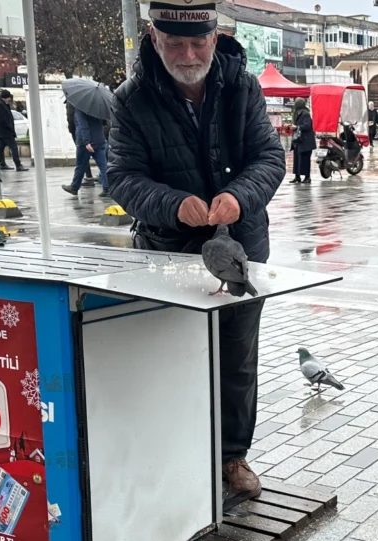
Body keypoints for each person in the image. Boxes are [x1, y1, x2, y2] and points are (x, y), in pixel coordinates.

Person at [108, 0, 286, 499]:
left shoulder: (242, 86)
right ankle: (179, 454)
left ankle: (231, 458)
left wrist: (239, 196)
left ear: (214, 36)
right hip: (169, 253)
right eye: (176, 42)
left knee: (236, 357)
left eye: (198, 42)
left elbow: (269, 157)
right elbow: (121, 177)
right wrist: (173, 204)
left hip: (240, 249)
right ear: (154, 36)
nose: (188, 53)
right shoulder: (132, 99)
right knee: (172, 355)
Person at [62, 105, 110, 196]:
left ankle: (74, 187)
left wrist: (87, 141)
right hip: (99, 139)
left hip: (85, 142)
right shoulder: (99, 107)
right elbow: (104, 122)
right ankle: (107, 189)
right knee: (103, 165)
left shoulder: (80, 107)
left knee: (80, 165)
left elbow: (83, 125)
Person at [0, 89, 27, 171]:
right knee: (13, 147)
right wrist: (9, 128)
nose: (9, 99)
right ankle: (18, 165)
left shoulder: (2, 104)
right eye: (9, 98)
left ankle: (2, 163)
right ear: (6, 97)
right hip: (6, 131)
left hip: (3, 131)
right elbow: (2, 119)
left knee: (0, 148)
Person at [67, 100, 95, 186]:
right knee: (101, 160)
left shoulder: (73, 102)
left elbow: (72, 121)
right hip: (92, 135)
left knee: (81, 161)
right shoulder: (89, 102)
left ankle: (75, 186)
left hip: (81, 135)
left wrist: (73, 132)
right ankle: (104, 182)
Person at [290, 97, 314, 183]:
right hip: (298, 140)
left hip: (305, 141)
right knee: (297, 158)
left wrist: (297, 127)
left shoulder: (305, 113)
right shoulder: (296, 113)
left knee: (305, 159)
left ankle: (307, 177)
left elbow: (307, 126)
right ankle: (297, 176)